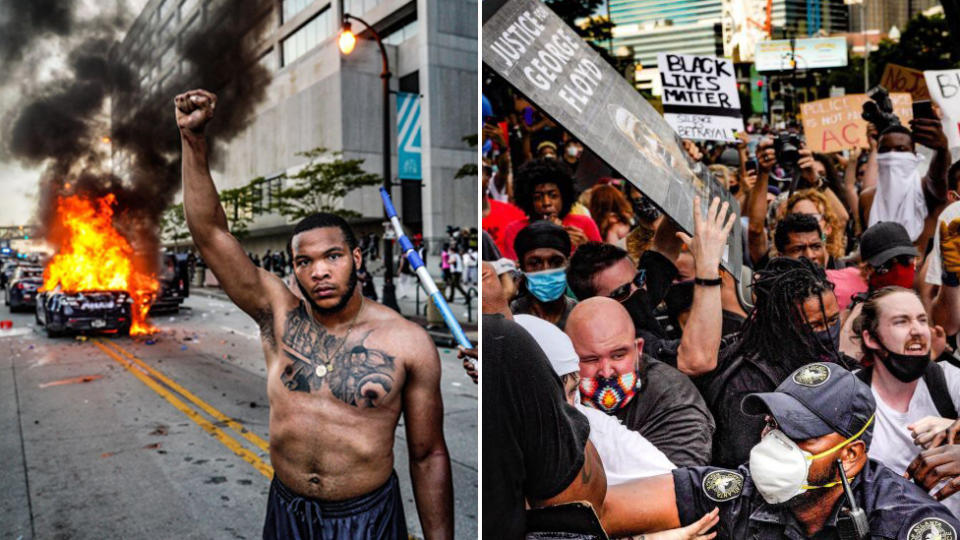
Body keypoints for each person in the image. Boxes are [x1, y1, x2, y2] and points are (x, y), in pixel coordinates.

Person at [175, 89, 452, 539]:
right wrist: (193, 141)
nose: (319, 271)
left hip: (367, 518)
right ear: (294, 269)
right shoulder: (276, 313)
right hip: (286, 511)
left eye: (333, 256)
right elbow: (209, 234)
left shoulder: (407, 342)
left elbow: (428, 455)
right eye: (305, 262)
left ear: (357, 259)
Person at [598, 362, 960, 539]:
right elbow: (589, 515)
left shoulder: (906, 524)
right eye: (773, 424)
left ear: (850, 457)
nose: (775, 442)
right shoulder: (736, 493)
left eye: (800, 434)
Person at [702, 257, 845, 468]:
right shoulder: (747, 385)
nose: (828, 332)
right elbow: (747, 469)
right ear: (783, 326)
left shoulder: (834, 363)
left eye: (833, 320)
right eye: (814, 325)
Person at [514, 312, 675, 485]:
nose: (568, 407)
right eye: (591, 359)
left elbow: (677, 485)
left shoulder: (595, 426)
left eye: (572, 392)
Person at [565, 297, 716, 467]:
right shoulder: (555, 386)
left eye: (618, 356)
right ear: (567, 358)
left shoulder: (674, 398)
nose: (606, 372)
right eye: (591, 360)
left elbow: (674, 483)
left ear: (638, 349)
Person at [850, 287, 960, 517]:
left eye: (922, 320)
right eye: (901, 322)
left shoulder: (949, 380)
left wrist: (954, 429)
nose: (917, 330)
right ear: (871, 338)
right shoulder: (849, 395)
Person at [861, 120, 951, 250]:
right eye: (885, 150)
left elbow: (937, 178)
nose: (892, 155)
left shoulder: (926, 190)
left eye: (901, 149)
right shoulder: (867, 198)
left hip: (923, 269)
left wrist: (941, 150)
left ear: (914, 156)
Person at [501, 158, 601, 260]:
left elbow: (603, 266)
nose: (546, 203)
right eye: (538, 198)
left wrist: (586, 250)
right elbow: (513, 273)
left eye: (553, 196)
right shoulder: (515, 230)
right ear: (529, 201)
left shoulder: (584, 224)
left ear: (564, 197)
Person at [510, 220, 577, 329]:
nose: (546, 270)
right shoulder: (511, 314)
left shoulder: (578, 314)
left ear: (568, 264)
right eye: (535, 263)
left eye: (556, 262)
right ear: (522, 267)